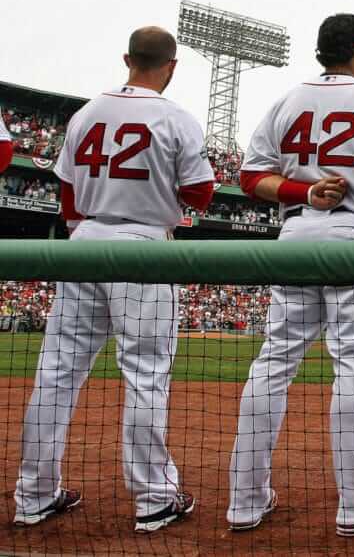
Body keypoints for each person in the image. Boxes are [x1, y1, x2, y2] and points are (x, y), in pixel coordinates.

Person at [14, 27, 214, 533]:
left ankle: (33, 495)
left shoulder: (85, 114)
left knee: (56, 373)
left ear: (128, 59)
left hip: (83, 247)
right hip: (143, 249)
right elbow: (202, 194)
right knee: (144, 374)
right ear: (171, 66)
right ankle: (153, 499)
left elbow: (66, 194)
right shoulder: (174, 116)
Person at [227, 13, 354, 535]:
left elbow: (250, 177)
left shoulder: (287, 101)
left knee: (273, 363)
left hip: (294, 237)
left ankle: (245, 501)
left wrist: (303, 191)